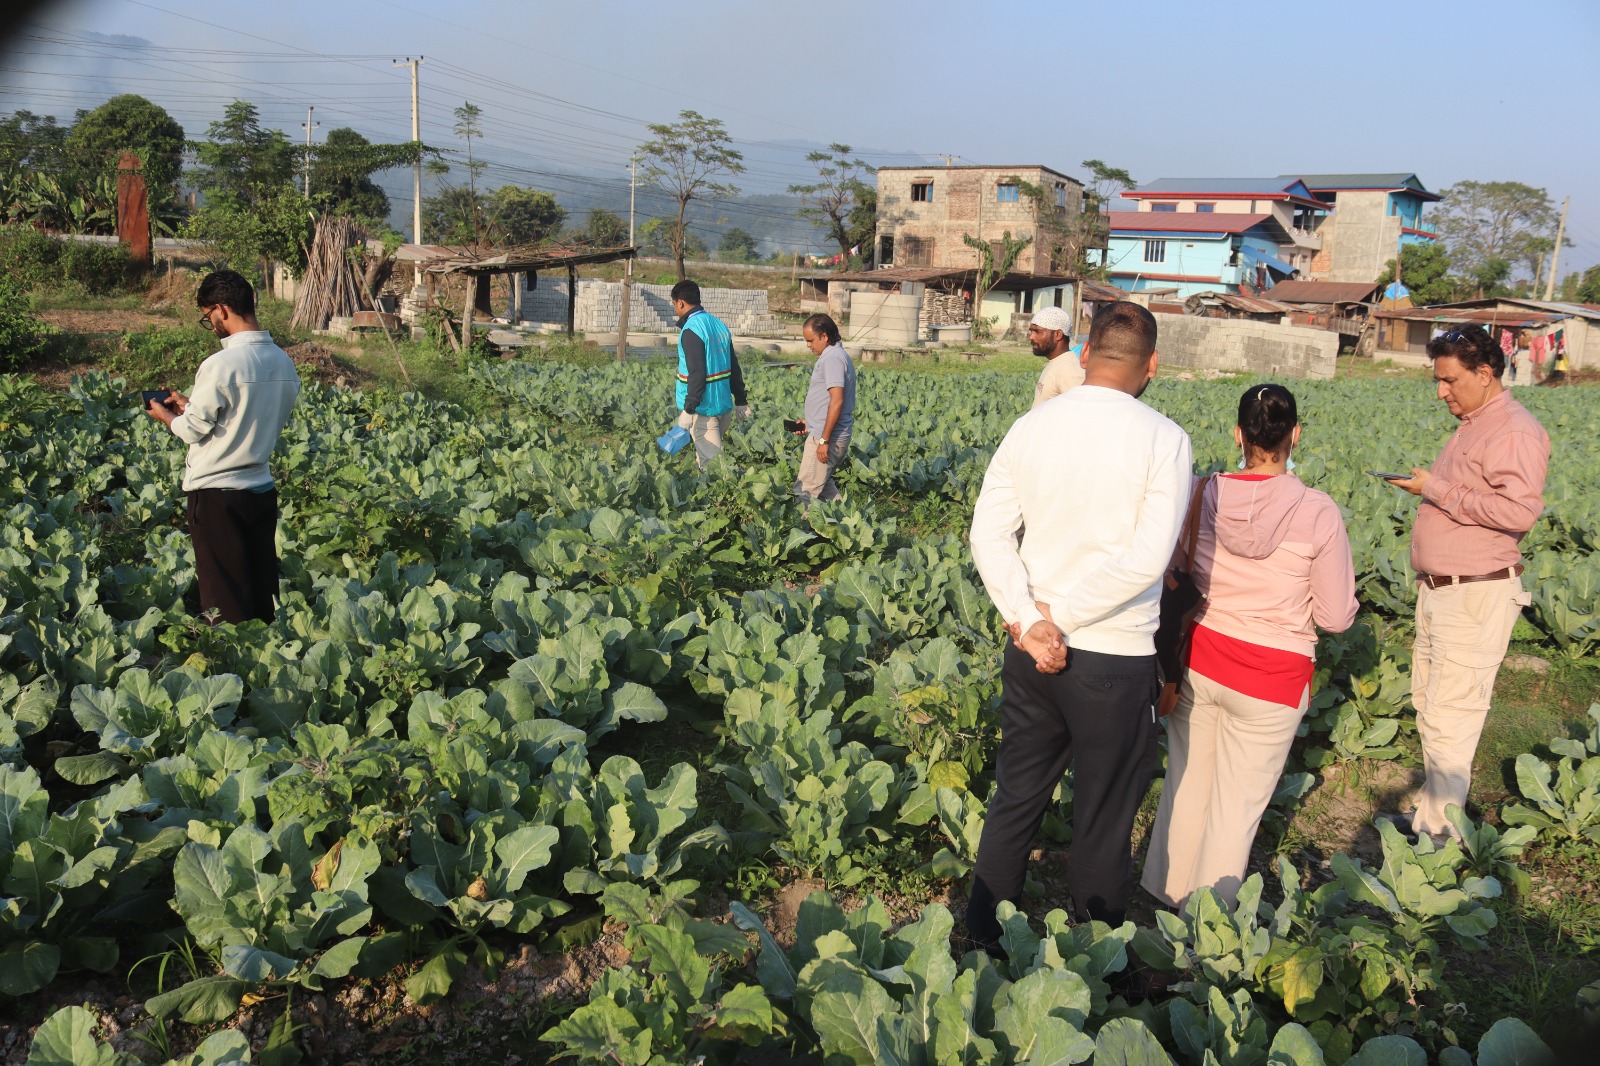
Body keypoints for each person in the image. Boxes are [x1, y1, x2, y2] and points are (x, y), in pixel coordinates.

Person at [965, 301, 1192, 946]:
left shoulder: (1031, 427)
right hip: (1113, 660)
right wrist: (1055, 619)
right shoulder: (1164, 439)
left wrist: (1027, 618)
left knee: (1017, 796)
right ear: (1152, 365)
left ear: (1085, 352)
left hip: (1032, 654)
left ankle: (983, 937)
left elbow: (987, 532)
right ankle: (1093, 960)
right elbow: (1147, 559)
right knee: (1103, 815)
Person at [1141, 384, 1358, 910]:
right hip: (1271, 678)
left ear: (1238, 435)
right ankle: (1207, 928)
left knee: (1187, 784)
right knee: (1236, 809)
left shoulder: (1199, 492)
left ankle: (1161, 899)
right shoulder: (1319, 511)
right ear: (1296, 435)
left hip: (1199, 661)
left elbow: (1172, 569)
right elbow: (1334, 617)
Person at [1387, 325, 1548, 842]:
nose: (1442, 391)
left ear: (1485, 373)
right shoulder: (1477, 422)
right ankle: (1432, 815)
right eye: (1438, 380)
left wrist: (1435, 488)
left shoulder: (1514, 431)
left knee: (1452, 714)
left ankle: (1440, 836)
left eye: (1450, 380)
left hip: (1475, 592)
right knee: (1432, 706)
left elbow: (1518, 512)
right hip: (1446, 589)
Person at [145, 270, 301, 624]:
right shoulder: (283, 363)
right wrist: (190, 403)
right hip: (260, 488)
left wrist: (166, 415)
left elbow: (190, 430)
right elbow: (245, 413)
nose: (210, 324)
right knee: (261, 587)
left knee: (224, 595)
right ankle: (267, 660)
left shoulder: (220, 364)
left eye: (207, 317)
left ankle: (230, 663)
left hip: (217, 495)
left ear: (221, 309)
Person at [670, 279, 749, 468]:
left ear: (680, 302)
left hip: (703, 410)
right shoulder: (718, 325)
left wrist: (689, 409)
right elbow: (733, 366)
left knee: (714, 466)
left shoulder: (691, 330)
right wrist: (740, 399)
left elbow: (697, 373)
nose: (675, 310)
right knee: (705, 457)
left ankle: (721, 497)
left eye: (674, 305)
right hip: (723, 406)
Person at [791, 313, 856, 502]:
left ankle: (799, 531)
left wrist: (823, 440)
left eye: (811, 340)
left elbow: (836, 401)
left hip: (828, 438)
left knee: (804, 491)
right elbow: (826, 401)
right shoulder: (833, 355)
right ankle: (848, 523)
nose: (808, 345)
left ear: (824, 336)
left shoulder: (833, 358)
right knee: (824, 487)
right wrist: (810, 423)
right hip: (823, 433)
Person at [1028, 304, 1086, 408]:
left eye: (1038, 331)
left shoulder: (1070, 371)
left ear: (1058, 334)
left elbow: (1079, 413)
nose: (1031, 337)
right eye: (1031, 331)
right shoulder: (1057, 362)